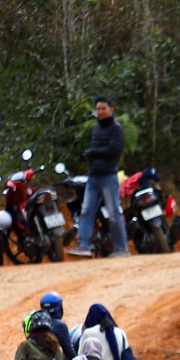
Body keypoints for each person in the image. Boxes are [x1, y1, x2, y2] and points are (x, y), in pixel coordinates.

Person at [74, 99, 129, 256]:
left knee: (113, 213)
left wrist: (92, 153)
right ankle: (83, 245)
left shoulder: (116, 129)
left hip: (108, 176)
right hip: (93, 177)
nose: (100, 112)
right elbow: (96, 148)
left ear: (111, 109)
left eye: (103, 109)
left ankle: (121, 248)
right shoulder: (97, 128)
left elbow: (113, 150)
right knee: (86, 211)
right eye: (98, 109)